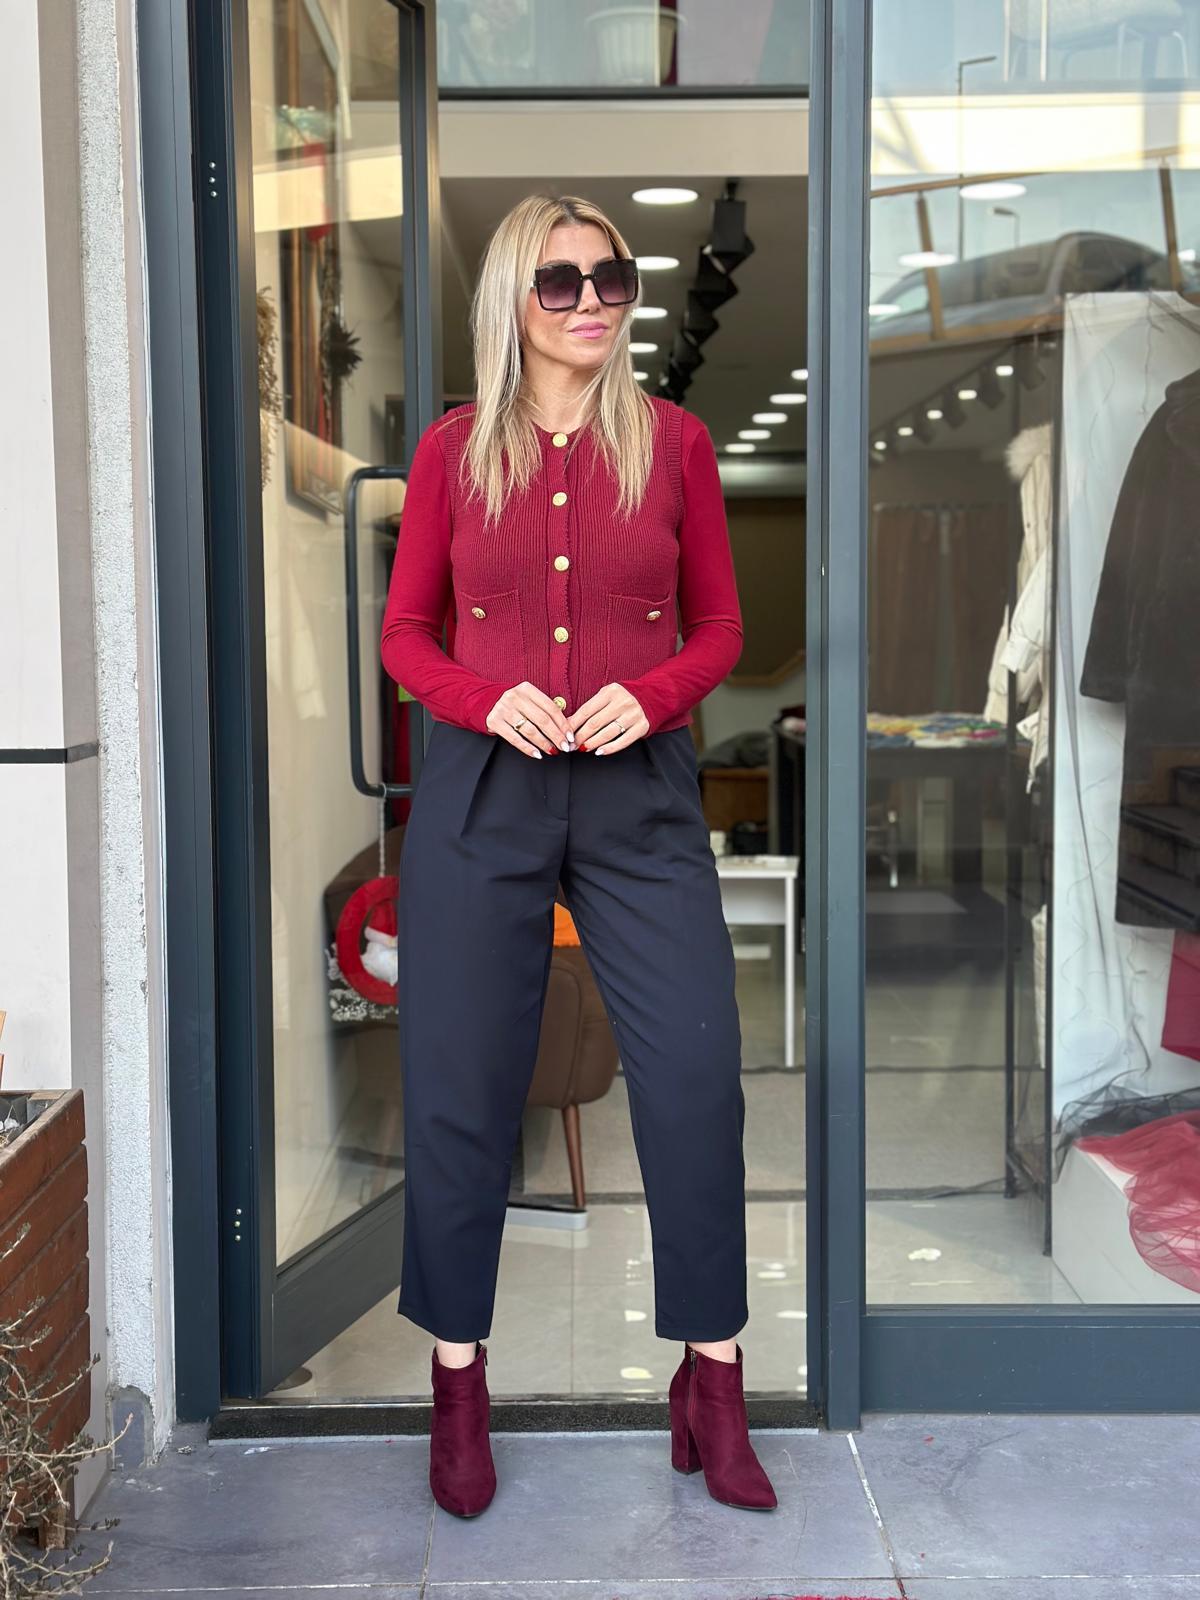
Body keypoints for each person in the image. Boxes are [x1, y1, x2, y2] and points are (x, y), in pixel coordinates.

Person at [380, 193, 776, 1518]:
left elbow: (719, 629)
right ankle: (457, 1385)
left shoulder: (674, 444)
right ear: (515, 298)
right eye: (562, 281)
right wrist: (483, 698)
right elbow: (406, 635)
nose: (594, 299)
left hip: (637, 796)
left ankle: (712, 1376)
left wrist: (650, 698)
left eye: (613, 276)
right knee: (459, 1088)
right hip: (483, 791)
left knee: (695, 1082)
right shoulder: (454, 452)